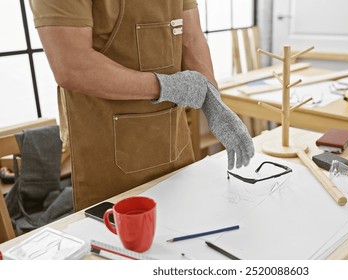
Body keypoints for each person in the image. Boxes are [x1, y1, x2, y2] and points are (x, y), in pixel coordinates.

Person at [29, 0, 255, 211]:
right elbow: (72, 65)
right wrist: (165, 86)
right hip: (108, 153)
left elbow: (191, 38)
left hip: (174, 143)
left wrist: (212, 101)